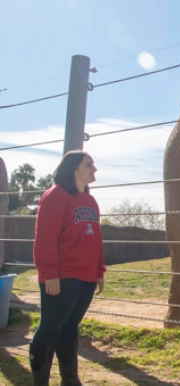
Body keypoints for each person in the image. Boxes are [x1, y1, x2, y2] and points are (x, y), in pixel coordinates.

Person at [29, 150, 105, 386]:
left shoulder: (91, 201)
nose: (94, 170)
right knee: (50, 329)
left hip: (86, 277)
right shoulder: (55, 196)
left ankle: (70, 380)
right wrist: (49, 274)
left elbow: (95, 238)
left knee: (70, 326)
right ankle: (40, 381)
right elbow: (45, 239)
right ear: (74, 168)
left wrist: (99, 271)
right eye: (89, 165)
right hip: (62, 277)